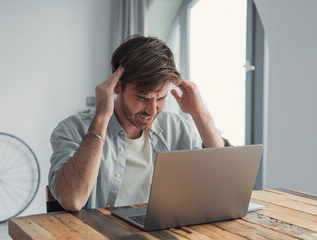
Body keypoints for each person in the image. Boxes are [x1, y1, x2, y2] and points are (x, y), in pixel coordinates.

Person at [48, 35, 231, 211]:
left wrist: (199, 114)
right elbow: (72, 199)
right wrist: (102, 117)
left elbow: (221, 179)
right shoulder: (73, 129)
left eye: (160, 98)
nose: (152, 110)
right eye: (143, 97)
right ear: (117, 86)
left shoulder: (176, 128)